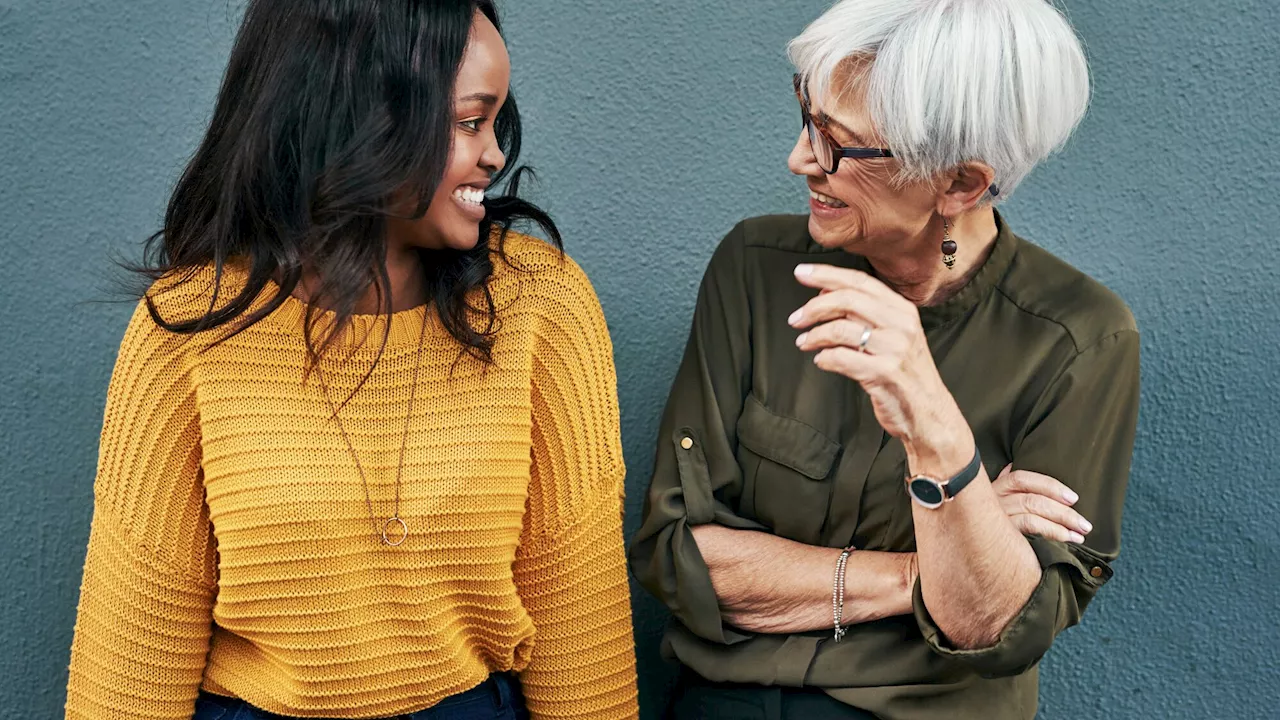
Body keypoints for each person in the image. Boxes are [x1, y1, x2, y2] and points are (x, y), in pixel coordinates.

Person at [64, 2, 638, 718]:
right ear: (362, 119)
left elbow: (585, 638)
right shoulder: (187, 331)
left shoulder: (539, 304)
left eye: (495, 121)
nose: (494, 154)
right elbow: (127, 675)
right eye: (467, 122)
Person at [630, 0, 1139, 718]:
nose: (802, 158)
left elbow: (994, 626)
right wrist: (934, 561)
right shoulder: (755, 268)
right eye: (808, 118)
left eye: (839, 143)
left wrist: (933, 424)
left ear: (960, 184)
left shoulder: (1079, 342)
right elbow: (681, 557)